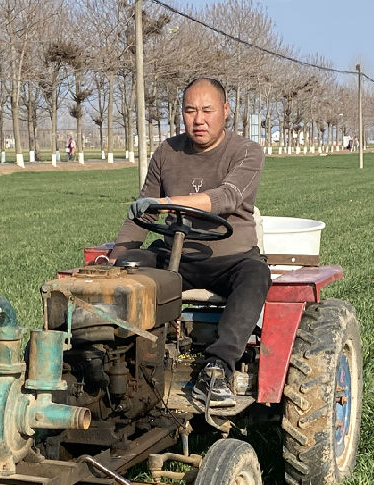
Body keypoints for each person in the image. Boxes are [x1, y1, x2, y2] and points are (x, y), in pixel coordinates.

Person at [112, 77, 269, 407]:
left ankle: (217, 368)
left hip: (232, 258)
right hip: (176, 258)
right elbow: (142, 215)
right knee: (128, 269)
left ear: (226, 111)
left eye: (208, 110)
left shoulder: (246, 152)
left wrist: (168, 202)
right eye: (190, 110)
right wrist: (117, 257)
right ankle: (121, 358)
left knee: (256, 275)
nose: (199, 119)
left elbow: (226, 197)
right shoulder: (167, 152)